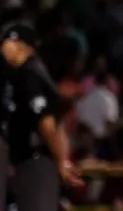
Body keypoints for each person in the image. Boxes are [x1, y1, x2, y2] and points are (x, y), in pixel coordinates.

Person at [0, 21, 83, 211]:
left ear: (25, 47)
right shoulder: (15, 74)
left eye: (11, 42)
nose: (5, 47)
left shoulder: (30, 74)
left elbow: (47, 124)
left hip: (37, 161)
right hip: (23, 161)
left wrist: (61, 159)